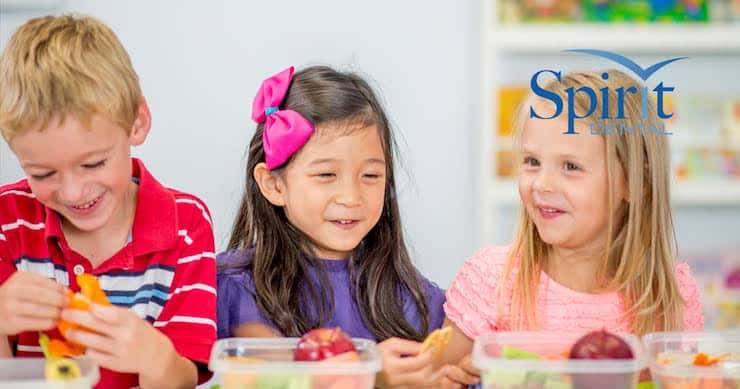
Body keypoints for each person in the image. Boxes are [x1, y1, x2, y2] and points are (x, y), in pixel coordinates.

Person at [439, 70, 704, 386]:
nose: (542, 183)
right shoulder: (491, 279)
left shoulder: (670, 295)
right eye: (532, 161)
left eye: (570, 166)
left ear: (635, 182)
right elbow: (438, 378)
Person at [0, 14, 216, 388]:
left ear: (137, 123)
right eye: (43, 173)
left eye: (93, 163)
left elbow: (186, 380)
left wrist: (154, 356)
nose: (72, 192)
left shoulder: (186, 224)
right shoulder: (8, 220)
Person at [217, 65, 449, 388]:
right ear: (274, 185)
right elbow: (272, 379)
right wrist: (368, 374)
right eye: (326, 175)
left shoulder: (414, 298)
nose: (352, 197)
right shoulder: (234, 289)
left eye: (371, 176)